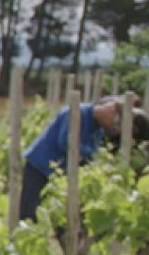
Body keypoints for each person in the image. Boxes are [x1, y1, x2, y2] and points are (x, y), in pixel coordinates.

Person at [17, 95, 147, 222]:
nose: (113, 129)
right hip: (39, 165)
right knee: (29, 210)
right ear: (110, 111)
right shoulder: (76, 113)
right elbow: (67, 143)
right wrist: (94, 156)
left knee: (59, 213)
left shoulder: (98, 129)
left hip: (60, 173)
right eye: (115, 125)